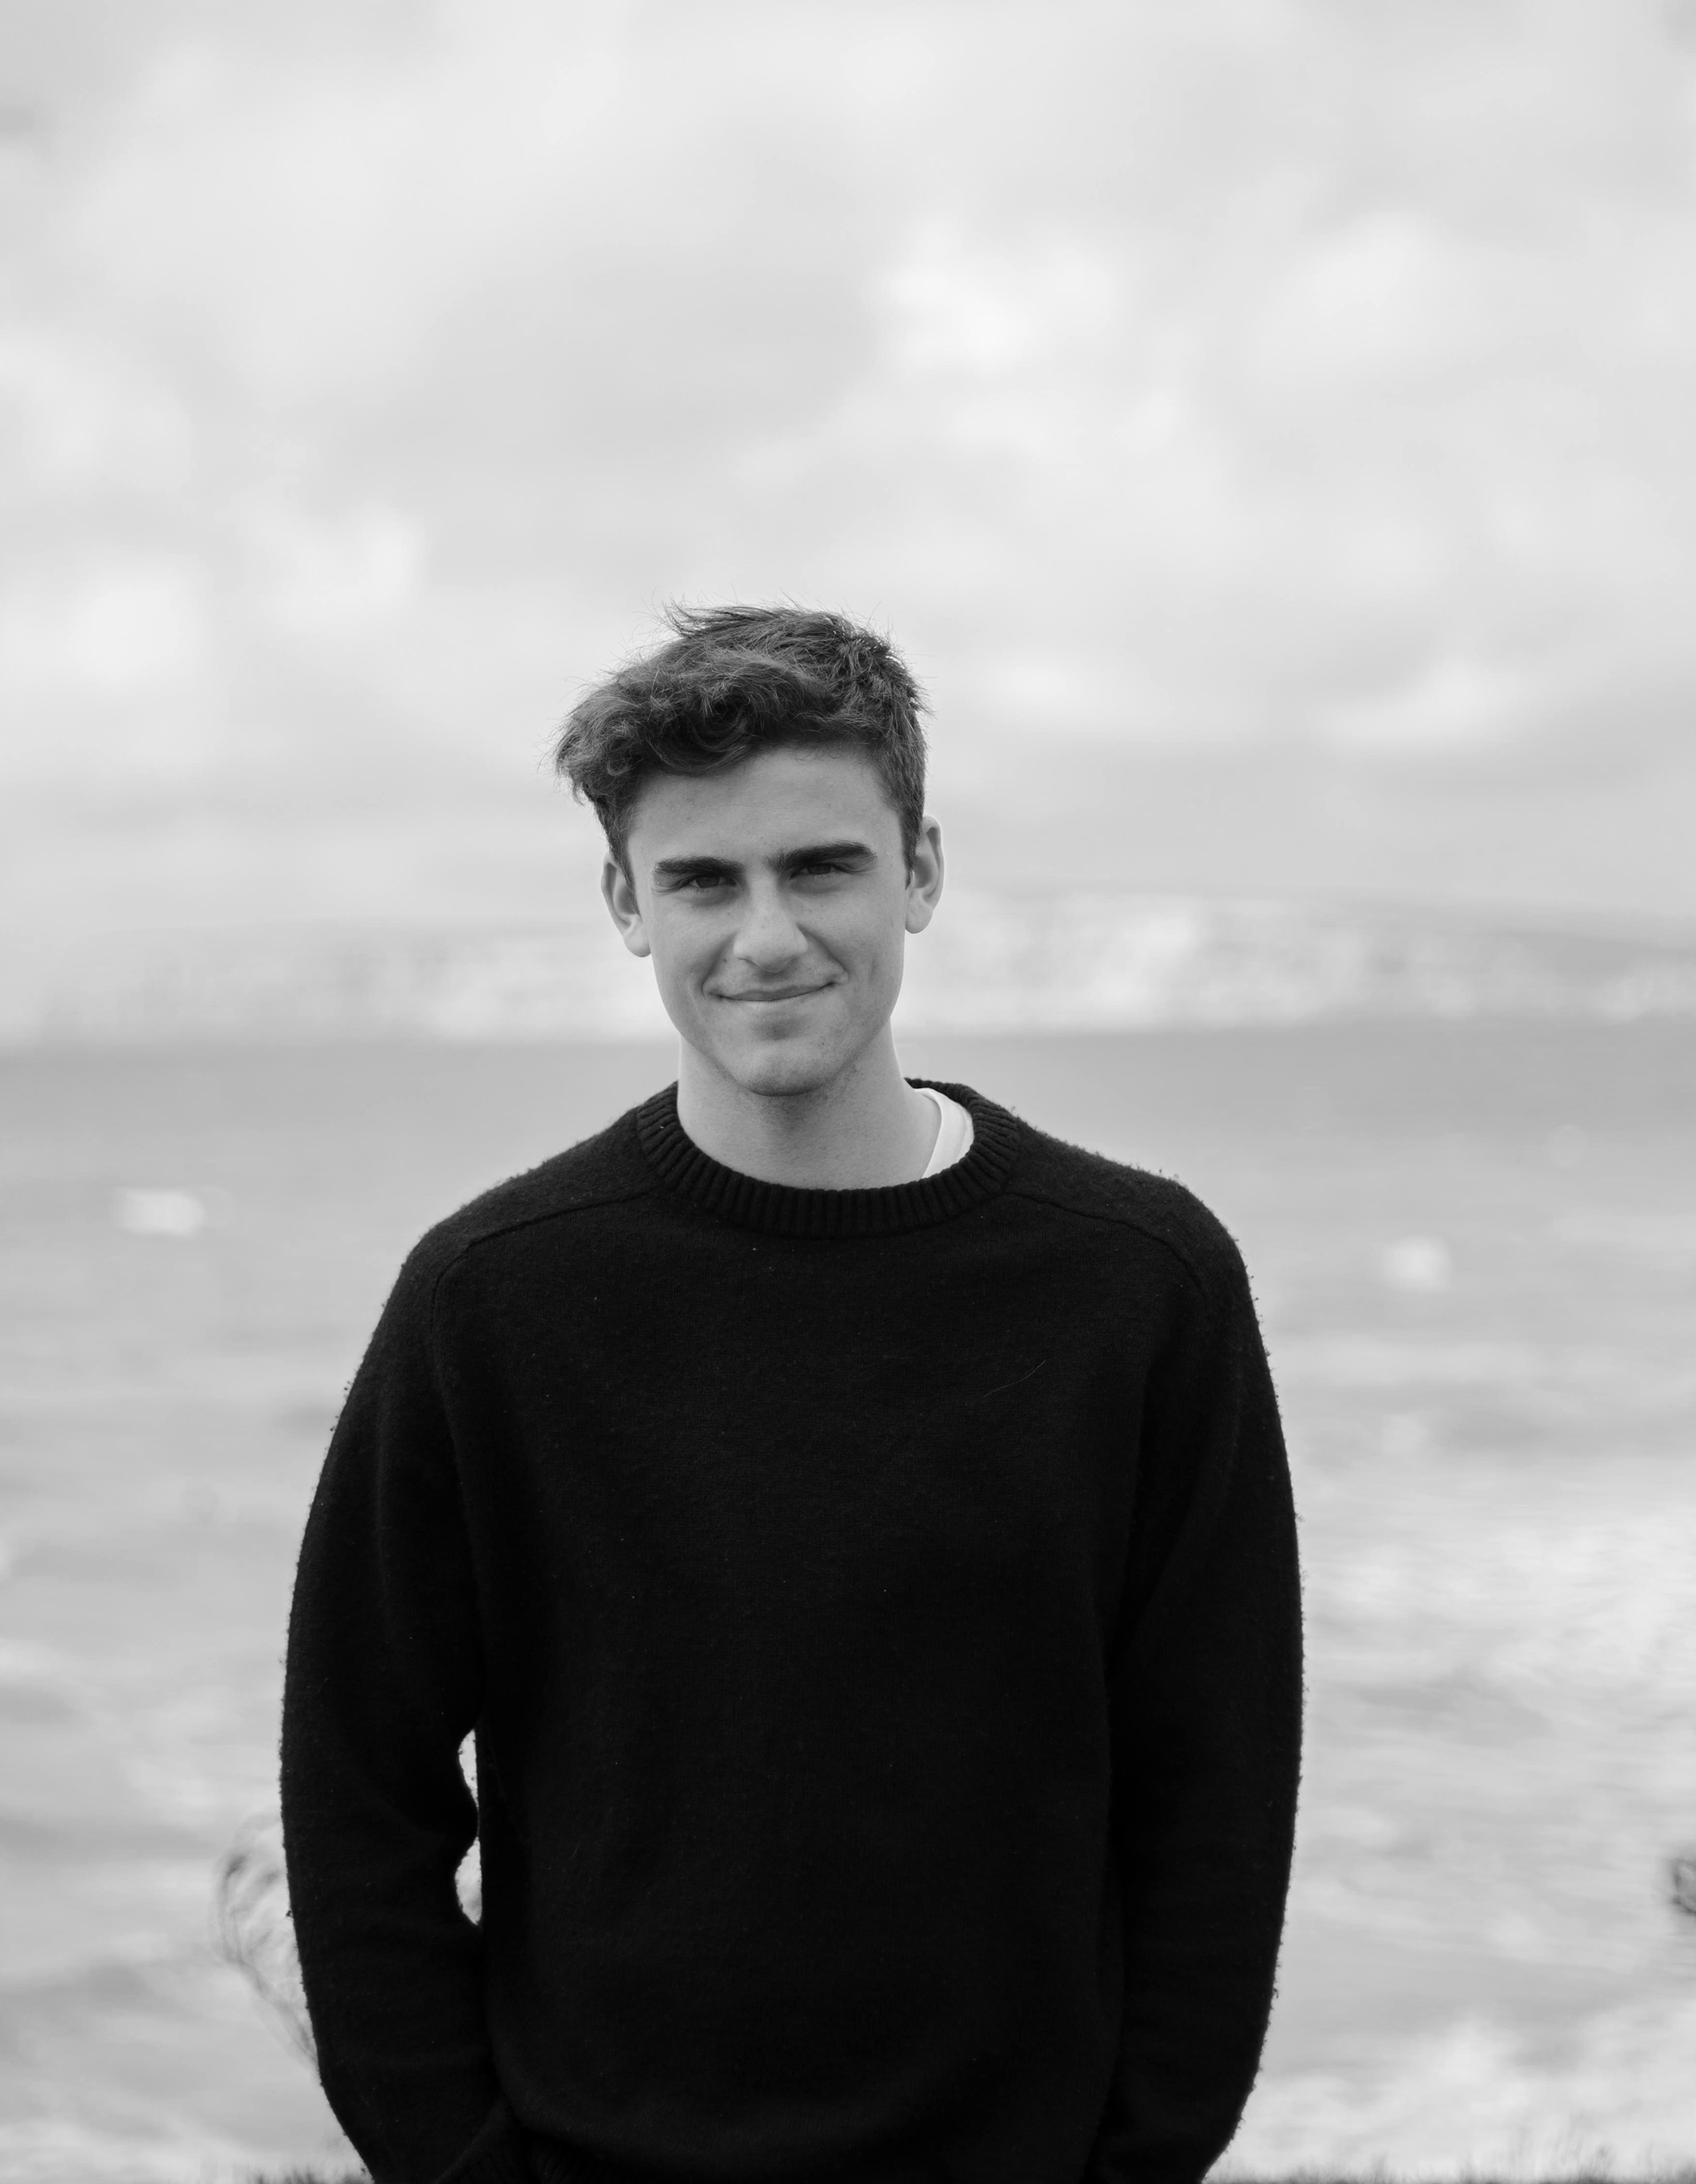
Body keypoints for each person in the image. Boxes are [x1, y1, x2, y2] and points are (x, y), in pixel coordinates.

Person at [280, 605, 1303, 2184]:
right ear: (625, 900)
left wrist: (1139, 2159)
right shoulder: (493, 1299)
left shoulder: (1139, 1282)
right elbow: (359, 1788)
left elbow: (1216, 1789)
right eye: (702, 878)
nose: (764, 937)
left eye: (820, 865)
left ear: (922, 870)